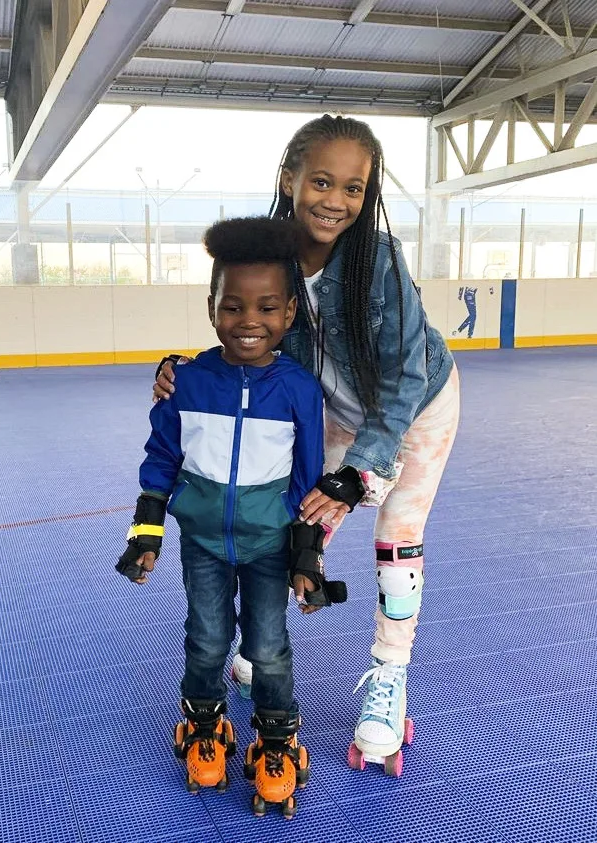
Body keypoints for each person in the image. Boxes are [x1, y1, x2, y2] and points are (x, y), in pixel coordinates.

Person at [154, 115, 461, 776]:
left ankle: (389, 675)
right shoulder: (270, 257)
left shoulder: (378, 260)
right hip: (332, 413)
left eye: (354, 187)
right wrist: (186, 369)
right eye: (321, 180)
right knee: (296, 518)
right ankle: (266, 647)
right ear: (289, 177)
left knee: (397, 540)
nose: (336, 199)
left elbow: (405, 377)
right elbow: (246, 330)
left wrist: (362, 470)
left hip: (417, 405)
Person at [116, 216, 347, 817]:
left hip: (271, 544)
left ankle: (276, 741)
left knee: (269, 647)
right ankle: (202, 726)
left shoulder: (299, 390)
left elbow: (308, 479)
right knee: (207, 641)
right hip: (205, 547)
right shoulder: (186, 383)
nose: (250, 320)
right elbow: (161, 458)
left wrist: (306, 557)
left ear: (289, 313)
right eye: (233, 305)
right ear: (211, 306)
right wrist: (147, 533)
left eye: (267, 307)